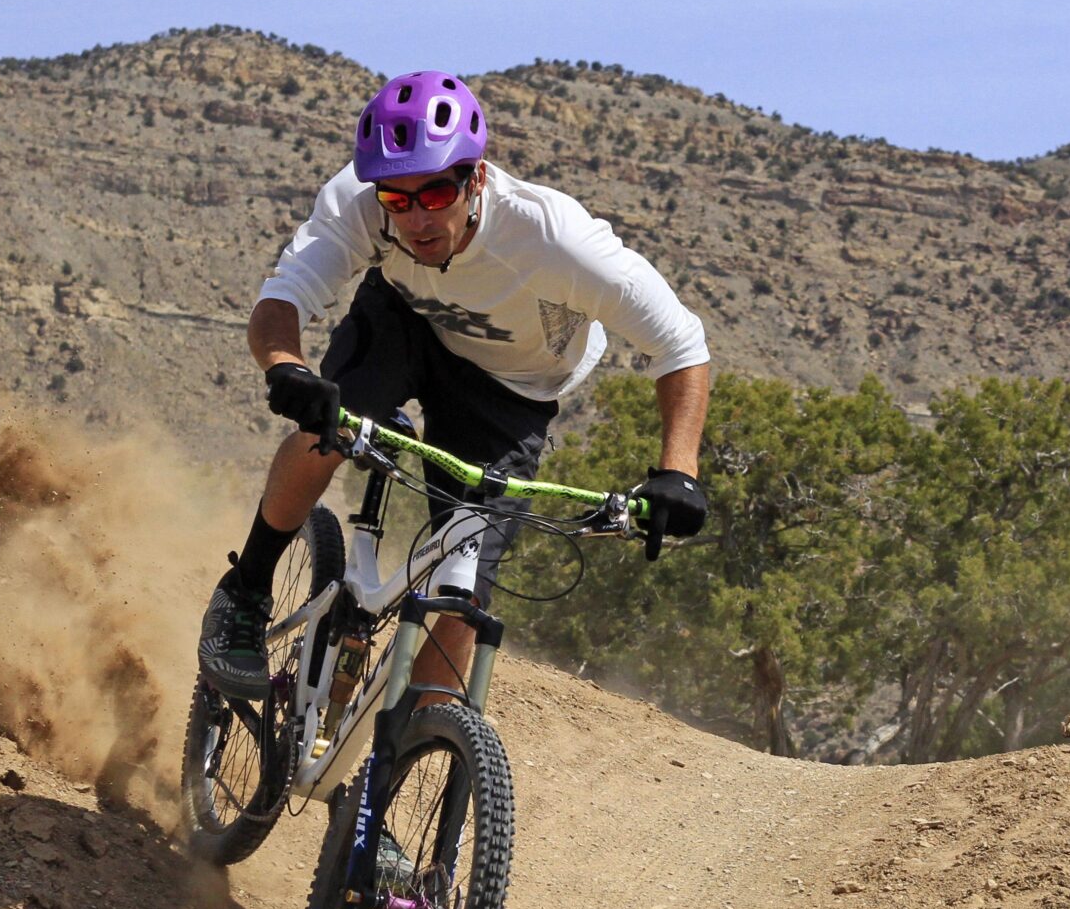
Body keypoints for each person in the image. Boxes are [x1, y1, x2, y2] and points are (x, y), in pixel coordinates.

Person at [198, 69, 711, 702]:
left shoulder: (555, 241)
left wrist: (678, 472)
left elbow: (681, 344)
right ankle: (246, 591)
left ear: (477, 179)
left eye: (436, 194)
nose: (415, 218)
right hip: (404, 325)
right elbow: (282, 302)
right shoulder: (359, 203)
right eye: (398, 199)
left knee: (462, 589)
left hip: (511, 387)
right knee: (333, 419)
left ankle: (416, 738)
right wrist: (288, 368)